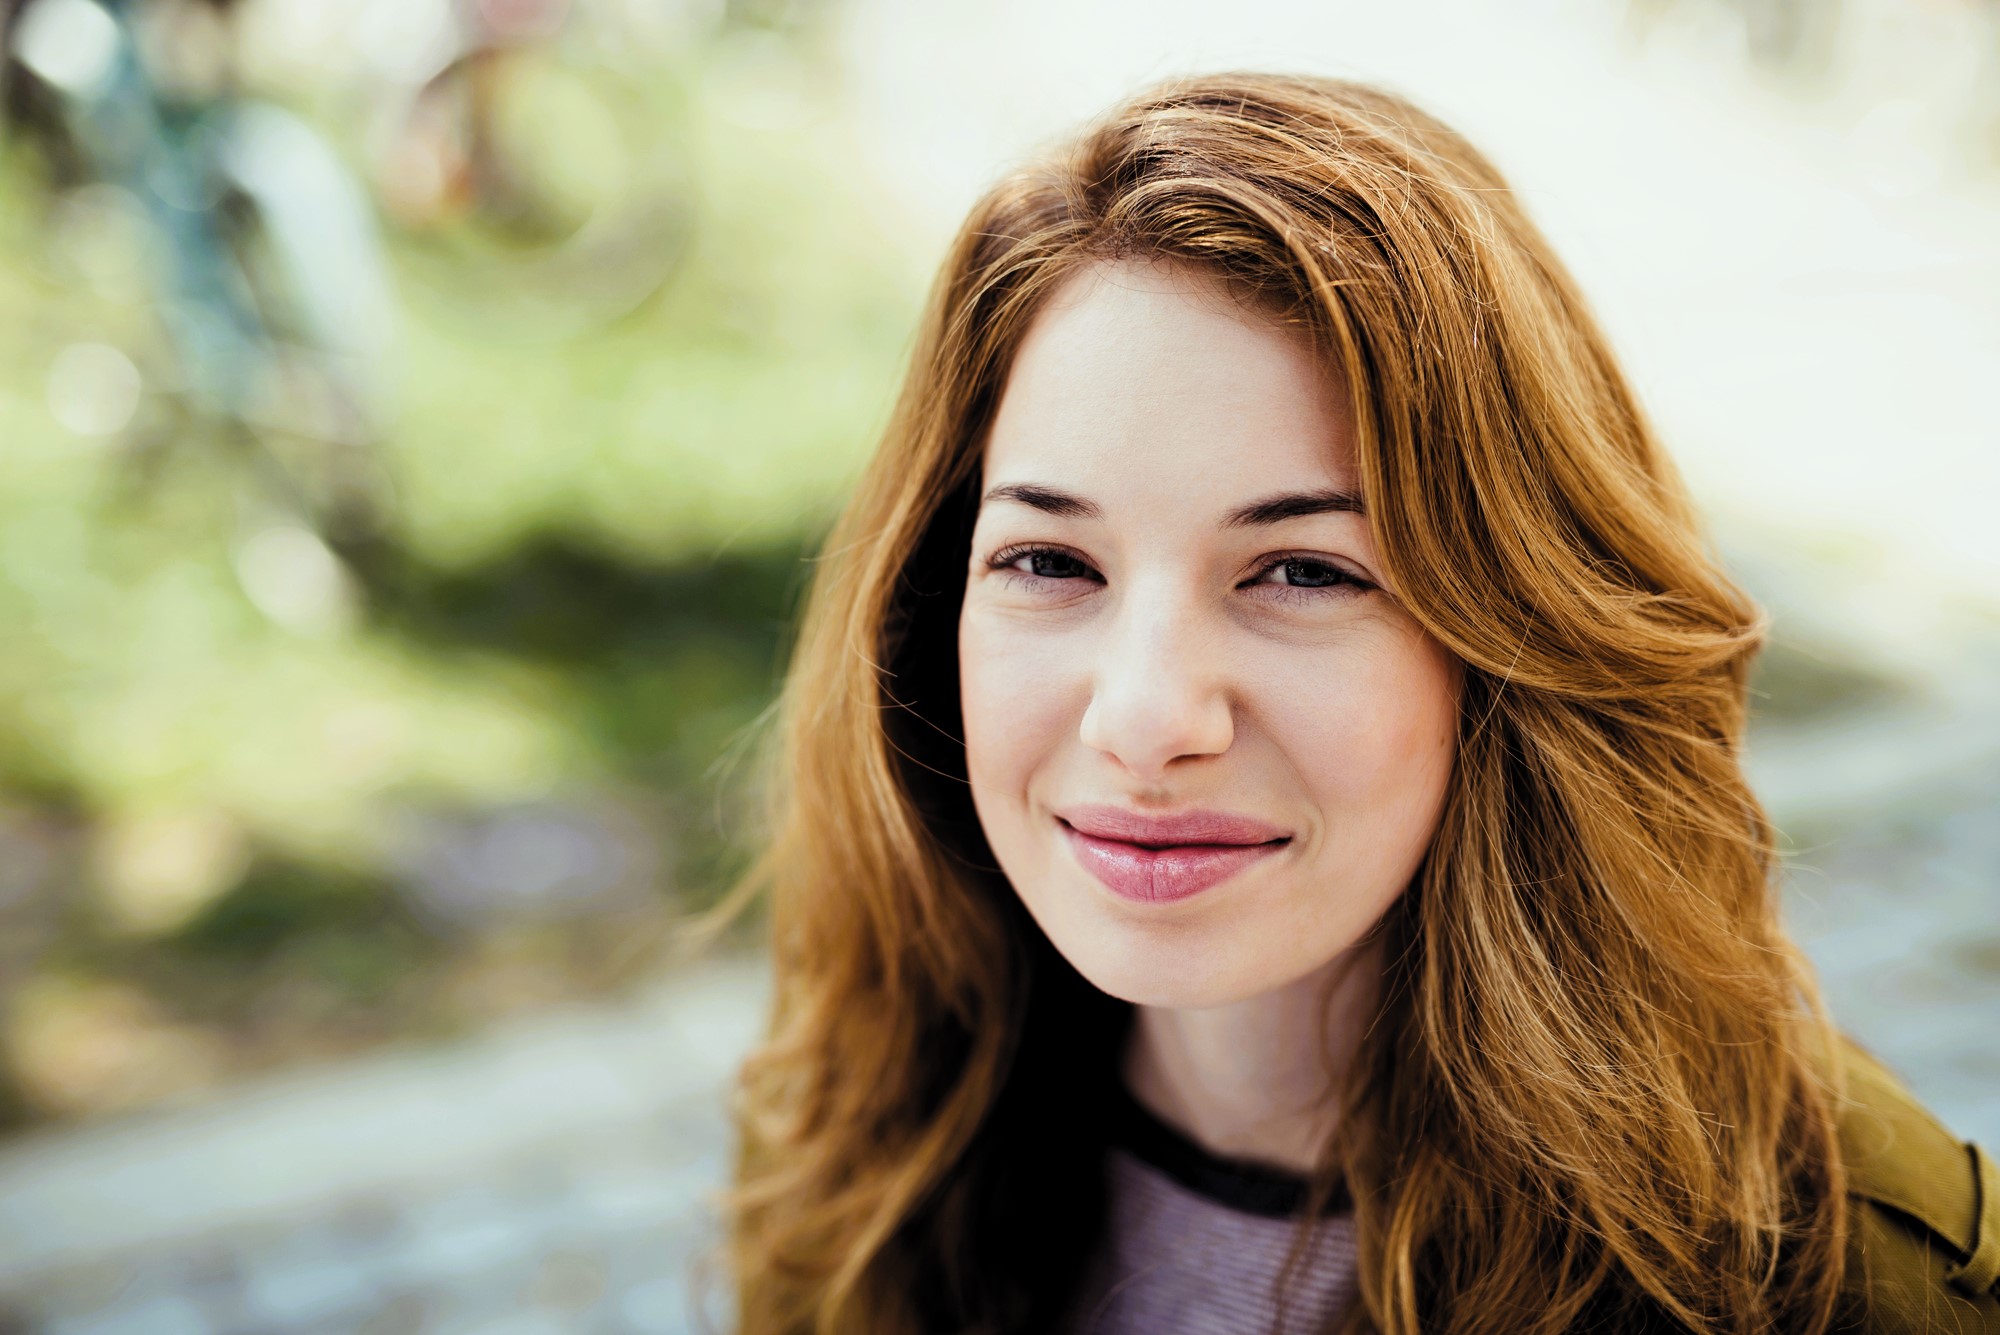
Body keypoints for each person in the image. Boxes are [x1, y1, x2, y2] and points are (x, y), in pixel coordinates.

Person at [693, 73, 2000, 1334]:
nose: (1144, 721)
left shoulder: (1826, 1283)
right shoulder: (857, 1135)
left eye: (1304, 571)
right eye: (1050, 561)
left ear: (1511, 636)